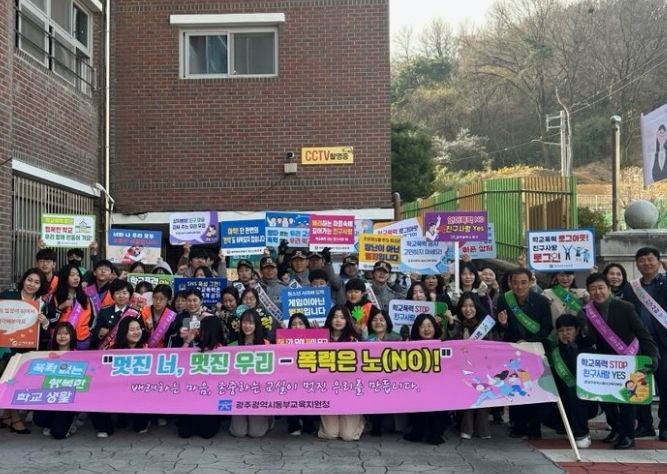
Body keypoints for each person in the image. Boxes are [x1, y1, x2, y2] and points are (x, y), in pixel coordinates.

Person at [582, 272, 659, 449]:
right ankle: (616, 429)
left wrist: (652, 356)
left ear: (609, 288)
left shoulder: (625, 307)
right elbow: (589, 340)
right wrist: (584, 331)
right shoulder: (587, 312)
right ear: (588, 291)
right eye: (593, 289)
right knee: (606, 399)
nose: (598, 292)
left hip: (628, 358)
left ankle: (628, 436)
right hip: (606, 362)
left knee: (627, 399)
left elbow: (642, 333)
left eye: (601, 288)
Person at [496, 268, 552, 439]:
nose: (519, 287)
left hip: (535, 351)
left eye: (523, 282)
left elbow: (547, 328)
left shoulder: (542, 301)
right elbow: (500, 328)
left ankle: (535, 426)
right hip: (513, 351)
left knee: (534, 387)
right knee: (516, 386)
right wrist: (503, 324)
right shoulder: (504, 299)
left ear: (530, 282)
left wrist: (528, 342)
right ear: (510, 283)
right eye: (515, 283)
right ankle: (518, 425)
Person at [622, 247, 667, 441]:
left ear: (658, 261)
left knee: (665, 384)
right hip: (639, 344)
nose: (646, 263)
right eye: (642, 260)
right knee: (640, 384)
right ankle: (644, 425)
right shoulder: (631, 287)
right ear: (637, 264)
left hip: (663, 343)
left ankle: (665, 425)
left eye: (650, 259)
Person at [0, 268, 50, 434]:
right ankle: (16, 420)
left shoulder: (42, 303)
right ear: (23, 280)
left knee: (17, 382)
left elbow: (45, 333)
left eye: (36, 282)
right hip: (6, 348)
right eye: (29, 280)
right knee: (9, 382)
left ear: (41, 286)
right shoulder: (8, 296)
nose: (32, 284)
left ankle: (7, 416)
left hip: (27, 350)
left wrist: (44, 322)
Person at [544, 314, 598, 449]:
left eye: (569, 329)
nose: (565, 334)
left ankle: (582, 433)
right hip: (562, 400)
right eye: (561, 331)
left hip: (587, 400)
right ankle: (565, 426)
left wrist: (574, 355)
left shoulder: (587, 350)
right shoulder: (555, 352)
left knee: (573, 392)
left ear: (577, 330)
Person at [450, 293, 497, 440]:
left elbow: (493, 345)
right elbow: (451, 342)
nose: (468, 309)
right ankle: (467, 427)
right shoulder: (457, 324)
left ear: (477, 307)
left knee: (484, 395)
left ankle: (483, 428)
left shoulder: (485, 325)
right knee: (467, 396)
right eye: (464, 306)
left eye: (471, 306)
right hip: (462, 368)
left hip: (484, 367)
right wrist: (451, 324)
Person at [318, 305, 365, 441]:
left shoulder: (353, 339)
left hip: (348, 389)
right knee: (330, 434)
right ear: (330, 319)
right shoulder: (321, 337)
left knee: (348, 436)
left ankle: (362, 421)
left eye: (342, 317)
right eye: (335, 317)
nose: (338, 320)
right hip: (327, 389)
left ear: (347, 320)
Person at [175, 315, 226, 438]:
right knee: (184, 432)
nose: (199, 330)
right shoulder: (195, 345)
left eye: (202, 328)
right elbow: (179, 360)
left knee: (206, 432)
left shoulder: (223, 350)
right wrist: (187, 341)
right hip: (192, 395)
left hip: (211, 398)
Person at [403, 313, 447, 445]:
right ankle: (418, 431)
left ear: (435, 327)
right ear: (417, 329)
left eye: (429, 326)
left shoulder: (444, 344)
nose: (426, 329)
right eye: (422, 326)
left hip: (438, 388)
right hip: (418, 387)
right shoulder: (410, 346)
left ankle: (435, 433)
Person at [230, 309, 273, 438]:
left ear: (257, 325)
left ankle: (269, 418)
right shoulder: (233, 346)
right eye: (244, 322)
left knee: (256, 433)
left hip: (258, 393)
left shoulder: (266, 345)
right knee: (238, 432)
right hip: (239, 393)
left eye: (251, 323)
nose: (247, 326)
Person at [33, 322, 79, 439]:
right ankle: (52, 424)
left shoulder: (78, 355)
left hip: (68, 400)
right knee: (38, 419)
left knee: (58, 434)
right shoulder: (47, 354)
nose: (62, 336)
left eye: (66, 334)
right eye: (59, 334)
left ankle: (72, 421)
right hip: (50, 397)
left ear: (72, 336)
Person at [285, 313, 318, 436]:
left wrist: (318, 333)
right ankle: (294, 424)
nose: (297, 327)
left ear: (306, 326)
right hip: (290, 380)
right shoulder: (283, 341)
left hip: (310, 379)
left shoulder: (315, 339)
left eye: (300, 324)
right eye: (293, 324)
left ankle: (309, 423)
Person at [48, 264, 92, 349]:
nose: (76, 278)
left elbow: (92, 318)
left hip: (82, 339)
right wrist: (61, 307)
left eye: (78, 275)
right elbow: (51, 321)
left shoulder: (85, 297)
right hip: (62, 341)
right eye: (72, 275)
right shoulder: (56, 297)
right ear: (64, 277)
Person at [91, 279, 140, 349]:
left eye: (124, 293)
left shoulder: (136, 313)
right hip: (108, 350)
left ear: (130, 295)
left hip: (128, 350)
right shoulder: (104, 311)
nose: (121, 296)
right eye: (118, 293)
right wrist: (100, 333)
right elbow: (95, 331)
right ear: (112, 296)